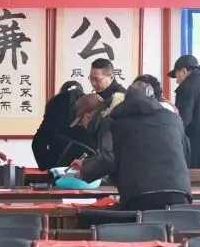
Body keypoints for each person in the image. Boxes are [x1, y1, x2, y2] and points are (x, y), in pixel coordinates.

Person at [75, 79, 191, 211]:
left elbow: (109, 159)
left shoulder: (114, 120)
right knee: (174, 224)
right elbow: (186, 152)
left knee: (138, 225)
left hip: (138, 194)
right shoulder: (173, 119)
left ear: (126, 100)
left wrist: (85, 171)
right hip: (179, 192)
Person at [31, 80, 90, 169]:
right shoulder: (90, 104)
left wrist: (47, 165)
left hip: (58, 165)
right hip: (85, 165)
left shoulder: (54, 104)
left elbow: (38, 143)